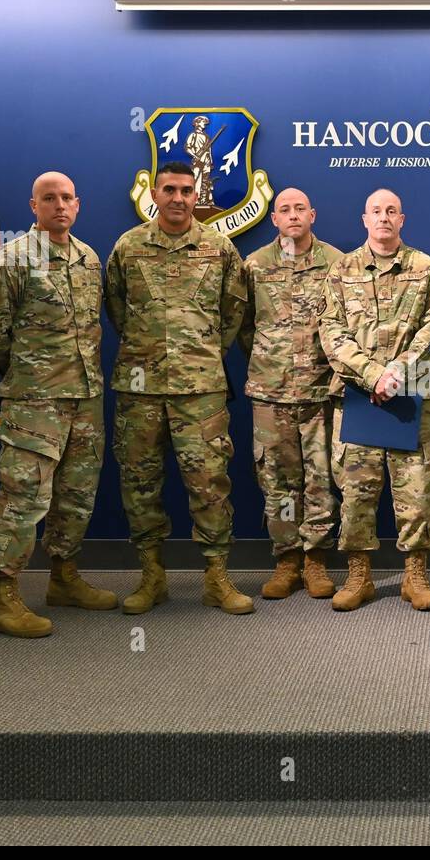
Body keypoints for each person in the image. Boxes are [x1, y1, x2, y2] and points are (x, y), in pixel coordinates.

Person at [104, 161, 251, 615]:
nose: (178, 198)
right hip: (140, 387)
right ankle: (151, 577)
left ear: (195, 193)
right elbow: (116, 309)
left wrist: (199, 353)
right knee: (140, 482)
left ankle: (216, 579)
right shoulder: (128, 248)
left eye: (187, 190)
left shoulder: (220, 249)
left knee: (210, 484)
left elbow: (233, 313)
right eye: (169, 189)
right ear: (154, 192)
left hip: (200, 390)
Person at [0, 171, 114, 638]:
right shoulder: (13, 259)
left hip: (85, 397)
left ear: (78, 204)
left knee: (76, 494)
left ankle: (64, 578)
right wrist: (26, 375)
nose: (59, 205)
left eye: (67, 198)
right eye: (48, 198)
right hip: (36, 400)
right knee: (24, 495)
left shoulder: (89, 258)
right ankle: (4, 596)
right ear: (33, 206)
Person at [319, 189, 430, 611]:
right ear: (364, 219)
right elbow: (332, 334)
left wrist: (399, 372)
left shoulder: (427, 269)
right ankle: (360, 576)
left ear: (403, 218)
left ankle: (415, 575)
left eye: (391, 211)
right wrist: (375, 375)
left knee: (416, 491)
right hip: (358, 398)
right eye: (376, 211)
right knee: (356, 493)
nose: (384, 218)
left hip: (409, 400)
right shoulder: (341, 271)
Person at [239, 187, 344, 600]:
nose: (293, 214)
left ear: (312, 214)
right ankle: (286, 559)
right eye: (285, 209)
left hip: (321, 390)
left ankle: (316, 560)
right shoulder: (255, 266)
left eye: (301, 207)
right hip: (270, 391)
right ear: (274, 220)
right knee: (277, 479)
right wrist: (273, 360)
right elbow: (242, 324)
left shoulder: (336, 264)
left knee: (320, 477)